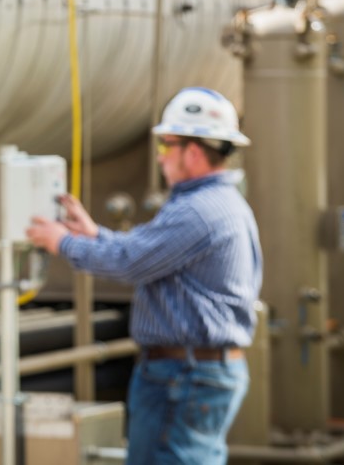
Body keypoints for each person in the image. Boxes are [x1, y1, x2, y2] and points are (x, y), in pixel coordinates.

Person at [26, 86, 262, 465]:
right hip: (196, 372)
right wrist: (94, 234)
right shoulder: (220, 204)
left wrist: (61, 243)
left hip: (182, 377)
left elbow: (130, 263)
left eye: (166, 146)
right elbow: (149, 251)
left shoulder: (198, 211)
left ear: (195, 152)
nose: (161, 157)